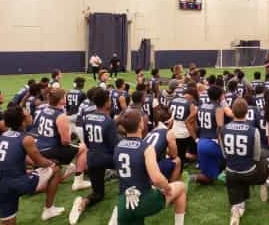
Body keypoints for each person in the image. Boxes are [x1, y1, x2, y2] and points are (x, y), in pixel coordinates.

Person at [111, 109, 187, 225]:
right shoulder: (146, 147)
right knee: (181, 187)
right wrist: (167, 188)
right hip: (143, 199)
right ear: (141, 124)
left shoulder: (118, 146)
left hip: (123, 202)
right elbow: (156, 178)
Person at [222, 98, 269, 225]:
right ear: (247, 112)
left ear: (232, 112)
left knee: (239, 205)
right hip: (249, 173)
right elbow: (257, 156)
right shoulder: (253, 131)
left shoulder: (223, 129)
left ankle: (236, 213)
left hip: (230, 173)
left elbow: (225, 154)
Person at [0, 106, 63, 223]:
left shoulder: (4, 135)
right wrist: (52, 163)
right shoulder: (26, 139)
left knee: (8, 222)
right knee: (55, 170)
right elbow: (39, 161)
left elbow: (12, 157)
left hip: (0, 186)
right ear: (22, 120)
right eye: (27, 113)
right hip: (18, 183)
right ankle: (49, 209)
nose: (30, 114)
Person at [69, 88, 119, 224]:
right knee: (129, 169)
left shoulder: (87, 117)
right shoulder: (108, 121)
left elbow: (87, 141)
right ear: (107, 102)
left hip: (92, 158)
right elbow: (114, 146)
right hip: (107, 158)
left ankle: (83, 203)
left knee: (98, 194)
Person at [34, 88, 91, 191]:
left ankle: (69, 168)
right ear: (60, 100)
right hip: (50, 149)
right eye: (64, 96)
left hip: (38, 147)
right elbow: (65, 141)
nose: (66, 98)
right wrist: (69, 135)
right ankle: (79, 181)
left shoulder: (44, 109)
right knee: (83, 148)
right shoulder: (60, 115)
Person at [195, 85, 225, 184]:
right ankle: (226, 174)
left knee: (208, 178)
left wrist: (196, 137)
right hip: (212, 143)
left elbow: (195, 124)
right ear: (220, 96)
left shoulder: (201, 106)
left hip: (201, 143)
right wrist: (222, 146)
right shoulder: (218, 108)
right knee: (232, 154)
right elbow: (219, 128)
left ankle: (191, 178)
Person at [144, 106, 181, 182]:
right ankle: (172, 187)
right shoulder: (169, 133)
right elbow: (174, 155)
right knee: (177, 160)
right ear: (170, 121)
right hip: (151, 169)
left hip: (142, 166)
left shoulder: (151, 132)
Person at [170, 88, 198, 172]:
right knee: (181, 155)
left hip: (174, 131)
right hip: (185, 133)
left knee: (175, 154)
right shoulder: (190, 104)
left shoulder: (173, 101)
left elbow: (170, 115)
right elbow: (192, 122)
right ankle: (178, 172)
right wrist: (195, 136)